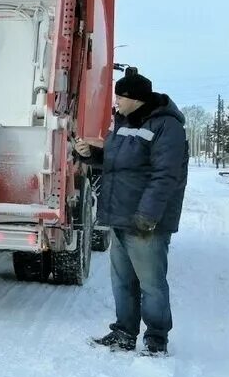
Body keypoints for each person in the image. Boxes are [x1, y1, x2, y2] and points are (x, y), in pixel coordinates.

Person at [76, 71, 188, 355]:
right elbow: (117, 162)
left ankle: (156, 340)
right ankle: (124, 333)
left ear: (136, 99)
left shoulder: (167, 127)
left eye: (120, 97)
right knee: (123, 281)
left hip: (146, 221)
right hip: (120, 216)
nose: (116, 102)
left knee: (151, 284)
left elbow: (166, 175)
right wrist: (90, 154)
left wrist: (147, 216)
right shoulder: (122, 122)